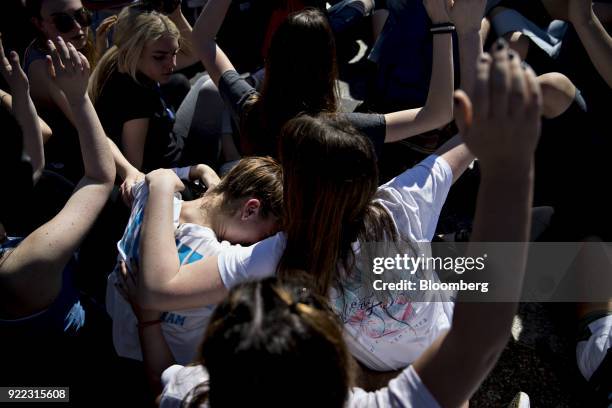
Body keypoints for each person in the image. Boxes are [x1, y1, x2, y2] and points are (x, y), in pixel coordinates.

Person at [124, 43, 542, 405]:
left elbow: (159, 289)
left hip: (382, 366)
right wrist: (509, 154)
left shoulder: (281, 254)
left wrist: (161, 183)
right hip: (439, 331)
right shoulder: (398, 202)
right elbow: (457, 152)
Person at [0, 37, 116, 401]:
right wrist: (79, 99)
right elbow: (98, 177)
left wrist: (19, 90)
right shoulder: (26, 265)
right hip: (60, 385)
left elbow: (32, 165)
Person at [192, 0, 458, 158]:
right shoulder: (344, 129)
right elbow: (437, 114)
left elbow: (202, 39)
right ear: (329, 66)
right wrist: (443, 23)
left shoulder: (249, 108)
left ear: (272, 58)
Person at [106, 157, 283, 365]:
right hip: (162, 372)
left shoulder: (151, 193)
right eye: (264, 236)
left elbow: (149, 173)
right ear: (251, 209)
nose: (256, 244)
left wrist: (197, 170)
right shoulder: (221, 259)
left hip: (112, 331)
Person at [89, 3, 200, 176]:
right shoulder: (139, 97)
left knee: (185, 83)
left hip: (169, 143)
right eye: (160, 57)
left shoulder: (118, 63)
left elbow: (194, 53)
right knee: (209, 90)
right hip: (173, 169)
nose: (172, 64)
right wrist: (196, 171)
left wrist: (175, 12)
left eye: (175, 53)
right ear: (134, 52)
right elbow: (135, 166)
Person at [24, 0, 97, 182]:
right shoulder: (44, 65)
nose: (78, 26)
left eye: (82, 15)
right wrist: (129, 171)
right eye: (62, 21)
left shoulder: (75, 41)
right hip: (66, 159)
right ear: (39, 24)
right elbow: (87, 123)